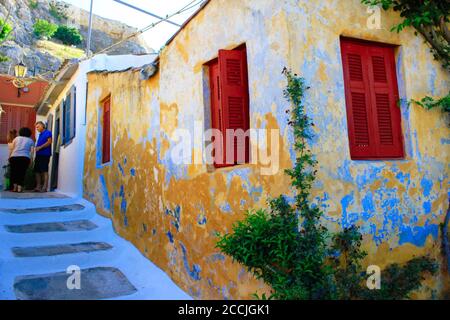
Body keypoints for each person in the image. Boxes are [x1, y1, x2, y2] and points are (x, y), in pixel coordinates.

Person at [9, 127, 34, 193]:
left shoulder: (16, 138)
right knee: (22, 172)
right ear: (29, 133)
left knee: (14, 172)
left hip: (14, 157)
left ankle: (14, 188)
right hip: (24, 158)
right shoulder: (30, 140)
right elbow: (32, 152)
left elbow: (12, 148)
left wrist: (9, 156)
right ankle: (19, 188)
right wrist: (31, 159)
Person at [34, 121, 52, 192]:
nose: (37, 128)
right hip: (38, 154)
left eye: (38, 127)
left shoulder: (48, 132)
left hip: (45, 154)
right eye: (36, 127)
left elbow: (49, 142)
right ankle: (38, 186)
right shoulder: (40, 134)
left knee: (44, 170)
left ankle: (44, 187)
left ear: (42, 126)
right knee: (37, 171)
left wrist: (40, 147)